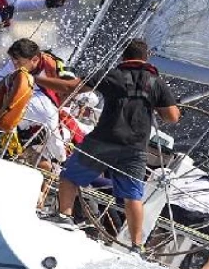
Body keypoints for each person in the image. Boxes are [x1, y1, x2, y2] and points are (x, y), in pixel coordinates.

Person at [32, 39, 181, 253]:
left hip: (103, 140)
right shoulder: (156, 82)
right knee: (132, 197)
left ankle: (64, 216)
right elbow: (172, 117)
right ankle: (136, 246)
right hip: (136, 148)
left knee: (70, 176)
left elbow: (69, 87)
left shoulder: (113, 74)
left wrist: (36, 79)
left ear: (124, 56)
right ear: (146, 57)